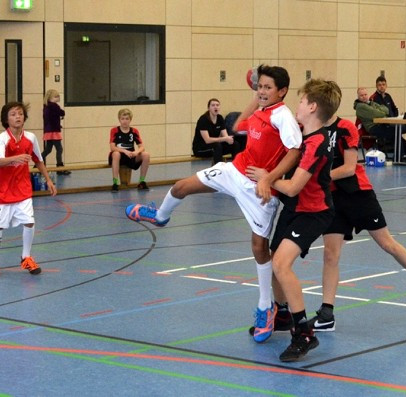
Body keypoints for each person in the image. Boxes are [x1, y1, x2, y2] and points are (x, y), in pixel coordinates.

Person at [125, 64, 303, 344]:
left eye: (269, 87)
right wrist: (256, 96)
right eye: (260, 86)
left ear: (283, 91)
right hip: (235, 170)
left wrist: (269, 178)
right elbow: (237, 126)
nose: (262, 91)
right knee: (181, 186)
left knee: (259, 247)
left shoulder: (283, 116)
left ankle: (265, 307)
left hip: (258, 187)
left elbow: (295, 151)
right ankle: (160, 216)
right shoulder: (262, 110)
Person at [306, 115, 406, 331]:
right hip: (334, 198)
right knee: (330, 254)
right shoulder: (310, 129)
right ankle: (327, 313)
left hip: (359, 195)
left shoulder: (345, 127)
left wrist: (319, 178)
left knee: (387, 243)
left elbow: (349, 168)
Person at [246, 78, 340, 362]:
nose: (296, 106)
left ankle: (304, 334)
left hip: (313, 212)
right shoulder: (301, 133)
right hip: (293, 208)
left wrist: (267, 177)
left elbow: (294, 186)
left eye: (301, 101)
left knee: (280, 263)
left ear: (312, 107)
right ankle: (284, 313)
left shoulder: (317, 144)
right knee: (276, 260)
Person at [0, 102, 57, 278]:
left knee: (29, 222)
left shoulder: (30, 138)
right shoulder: (2, 138)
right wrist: (16, 158)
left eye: (20, 114)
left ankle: (26, 257)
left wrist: (48, 180)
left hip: (22, 190)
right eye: (13, 114)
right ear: (6, 119)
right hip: (2, 191)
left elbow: (38, 160)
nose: (18, 117)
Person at [354, 87, 406, 165]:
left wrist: (380, 111)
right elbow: (379, 114)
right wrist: (380, 111)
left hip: (382, 125)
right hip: (373, 128)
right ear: (358, 97)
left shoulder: (371, 103)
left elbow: (386, 109)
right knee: (395, 132)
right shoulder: (360, 107)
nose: (364, 97)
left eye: (365, 94)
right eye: (361, 95)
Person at [371, 75, 406, 151]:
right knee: (396, 129)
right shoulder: (374, 98)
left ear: (386, 86)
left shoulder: (388, 96)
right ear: (376, 86)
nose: (382, 87)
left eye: (383, 84)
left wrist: (395, 117)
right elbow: (375, 113)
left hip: (394, 122)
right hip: (385, 125)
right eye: (380, 85)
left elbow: (395, 109)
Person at [108, 108, 151, 192]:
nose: (125, 121)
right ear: (119, 119)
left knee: (146, 155)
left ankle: (141, 181)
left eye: (127, 119)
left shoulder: (134, 131)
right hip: (119, 156)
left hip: (131, 156)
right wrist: (124, 151)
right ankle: (115, 183)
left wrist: (136, 152)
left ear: (130, 120)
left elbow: (142, 147)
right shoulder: (114, 130)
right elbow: (112, 147)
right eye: (122, 119)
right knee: (116, 153)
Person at [192, 98, 238, 165]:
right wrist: (224, 139)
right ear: (209, 108)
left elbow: (225, 136)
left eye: (217, 105)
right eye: (213, 105)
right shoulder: (203, 119)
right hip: (201, 148)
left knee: (235, 144)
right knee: (217, 146)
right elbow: (207, 140)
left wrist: (229, 139)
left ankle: (236, 167)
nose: (215, 107)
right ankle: (218, 169)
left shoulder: (220, 118)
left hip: (215, 146)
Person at [41, 89, 70, 175]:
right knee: (59, 149)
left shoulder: (46, 107)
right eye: (56, 96)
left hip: (48, 131)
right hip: (54, 131)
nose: (58, 98)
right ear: (50, 98)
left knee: (48, 149)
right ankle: (59, 168)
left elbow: (50, 119)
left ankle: (37, 164)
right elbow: (62, 112)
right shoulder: (54, 106)